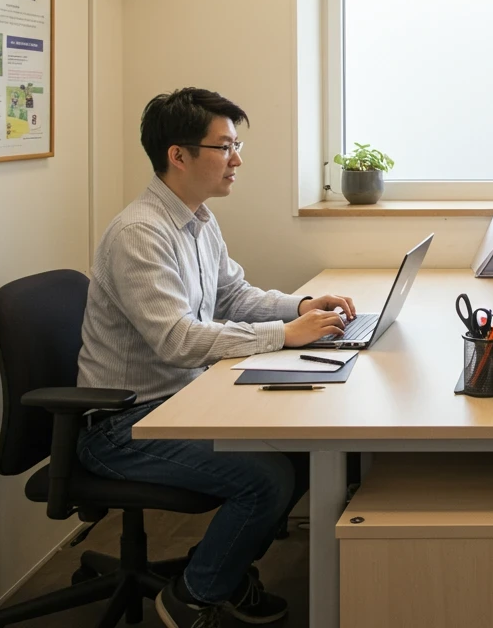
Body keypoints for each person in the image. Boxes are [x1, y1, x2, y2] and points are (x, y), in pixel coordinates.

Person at [76, 87, 356, 628]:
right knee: (266, 480)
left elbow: (234, 296)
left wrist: (300, 306)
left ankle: (223, 573)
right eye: (224, 147)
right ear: (178, 155)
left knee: (299, 453)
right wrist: (284, 335)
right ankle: (191, 599)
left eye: (236, 145)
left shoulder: (197, 218)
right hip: (123, 424)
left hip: (184, 400)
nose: (237, 159)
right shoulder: (140, 234)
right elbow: (179, 339)